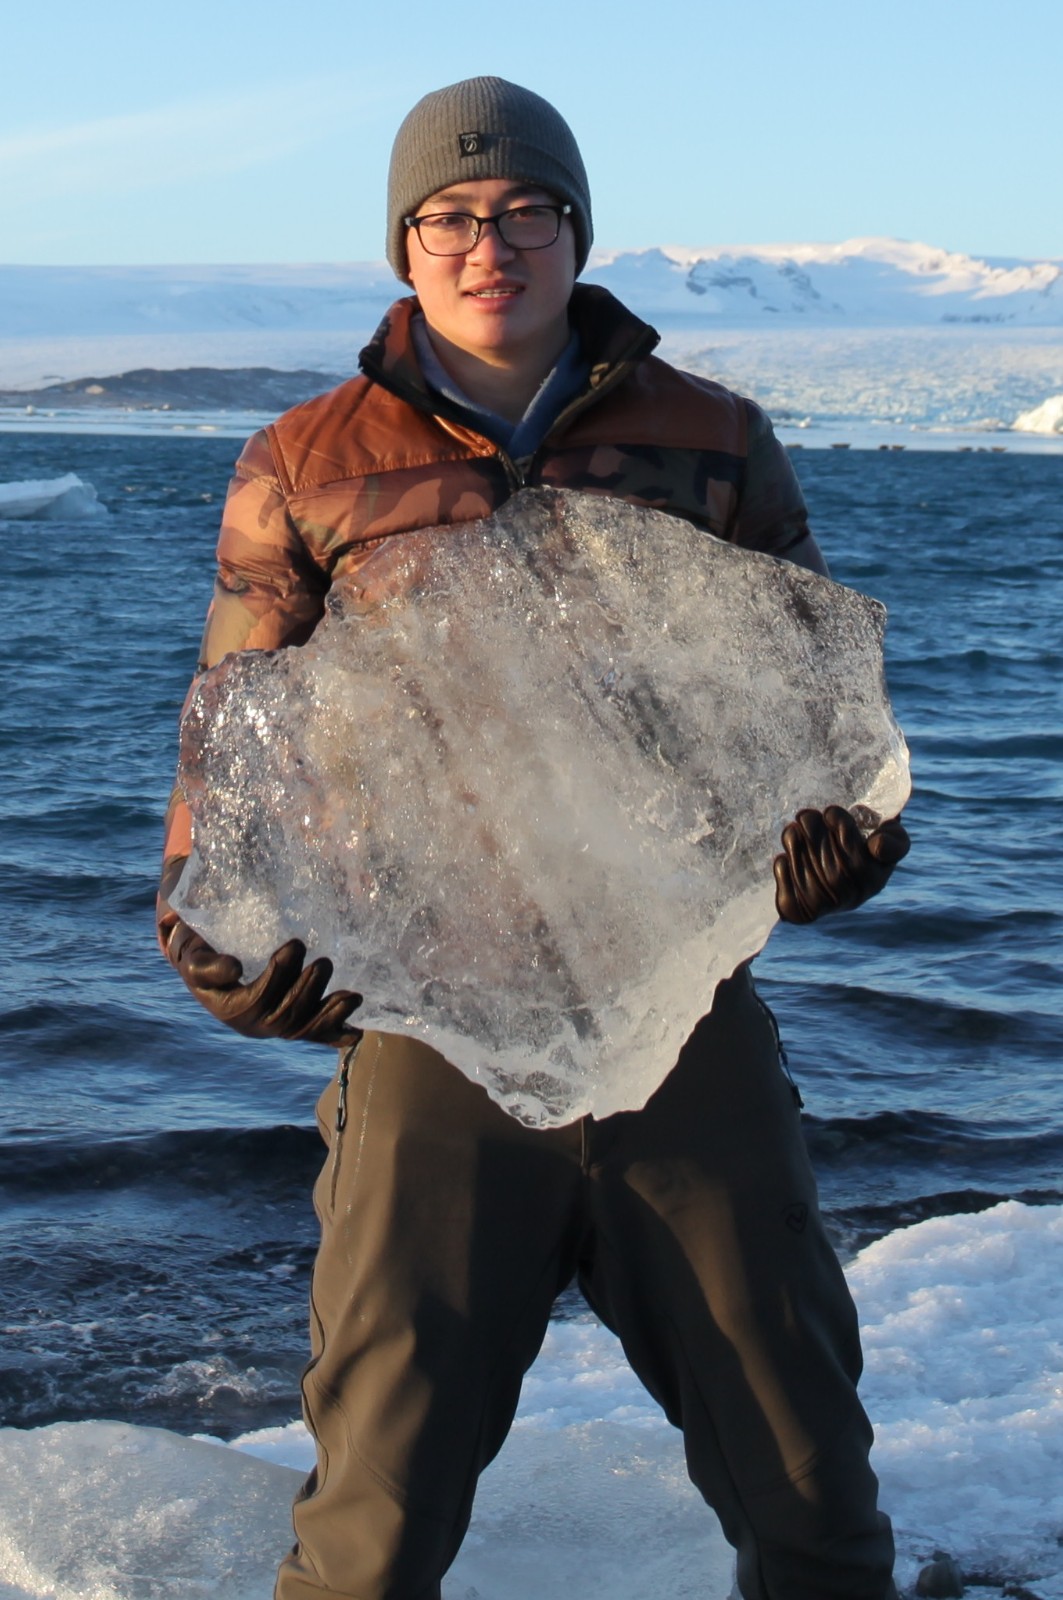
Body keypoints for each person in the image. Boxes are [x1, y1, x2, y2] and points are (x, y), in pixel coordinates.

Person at [158, 77, 909, 1600]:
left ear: (576, 232)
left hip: (681, 1011)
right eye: (448, 217)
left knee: (810, 1484)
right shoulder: (305, 461)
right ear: (404, 244)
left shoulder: (713, 437)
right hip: (431, 1025)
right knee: (376, 1516)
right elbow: (235, 727)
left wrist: (851, 846)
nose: (487, 246)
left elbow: (817, 704)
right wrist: (212, 936)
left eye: (523, 213)